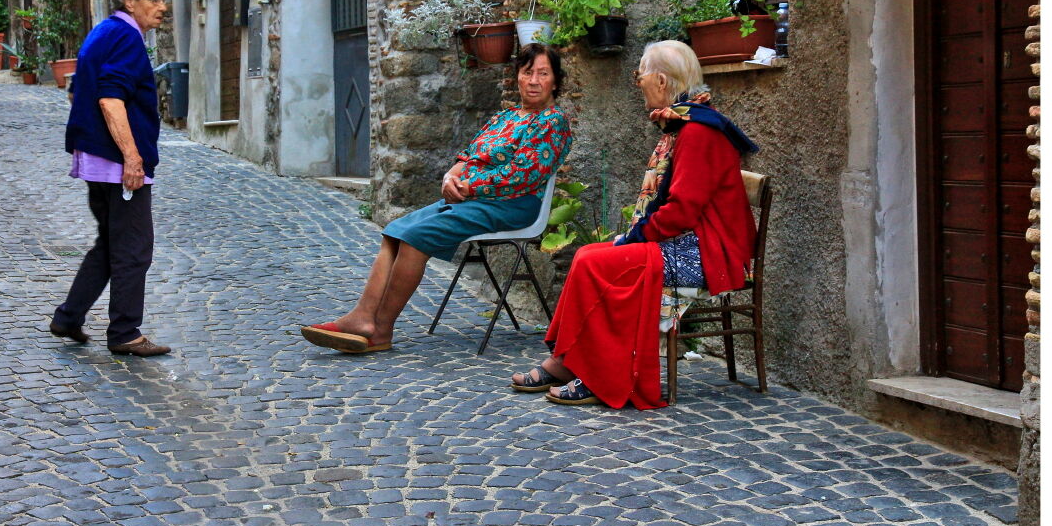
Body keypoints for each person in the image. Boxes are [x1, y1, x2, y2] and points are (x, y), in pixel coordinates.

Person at [509, 39, 758, 408]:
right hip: (690, 241)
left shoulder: (699, 132)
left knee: (601, 261)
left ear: (661, 81)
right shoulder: (686, 125)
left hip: (706, 252)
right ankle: (565, 362)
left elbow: (683, 211)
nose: (638, 82)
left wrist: (635, 236)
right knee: (587, 255)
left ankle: (598, 376)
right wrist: (634, 236)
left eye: (640, 75)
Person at [301, 43, 573, 354]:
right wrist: (451, 176)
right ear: (518, 77)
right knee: (395, 231)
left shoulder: (553, 121)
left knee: (417, 237)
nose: (535, 80)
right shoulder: (506, 116)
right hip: (472, 199)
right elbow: (469, 155)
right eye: (528, 73)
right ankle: (363, 317)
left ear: (555, 80)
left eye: (543, 73)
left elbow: (522, 175)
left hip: (512, 204)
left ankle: (381, 329)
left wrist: (469, 187)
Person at [49, 0, 172, 357]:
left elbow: (78, 93)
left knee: (110, 243)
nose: (162, 7)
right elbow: (109, 98)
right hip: (116, 163)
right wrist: (132, 158)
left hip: (97, 159)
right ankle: (124, 332)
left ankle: (69, 317)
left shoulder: (104, 32)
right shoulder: (124, 37)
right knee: (135, 248)